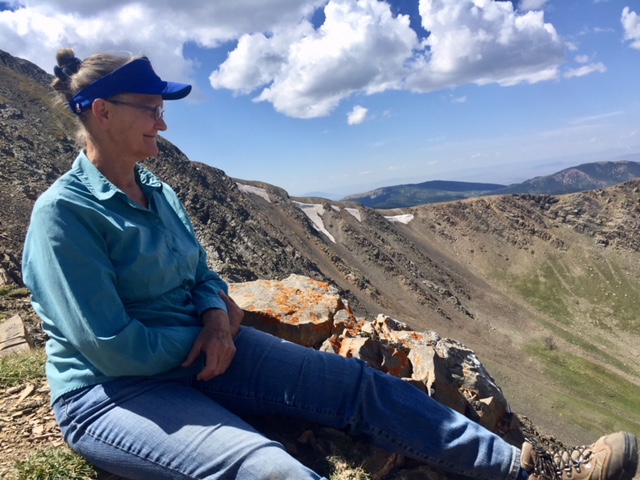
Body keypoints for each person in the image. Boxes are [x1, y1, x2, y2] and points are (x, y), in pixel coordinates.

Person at [21, 48, 637, 480]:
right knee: (265, 469)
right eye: (151, 107)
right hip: (113, 394)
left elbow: (202, 274)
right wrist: (207, 337)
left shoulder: (157, 191)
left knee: (357, 385)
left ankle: (529, 471)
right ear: (102, 111)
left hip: (203, 350)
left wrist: (213, 317)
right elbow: (111, 347)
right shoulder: (63, 216)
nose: (163, 120)